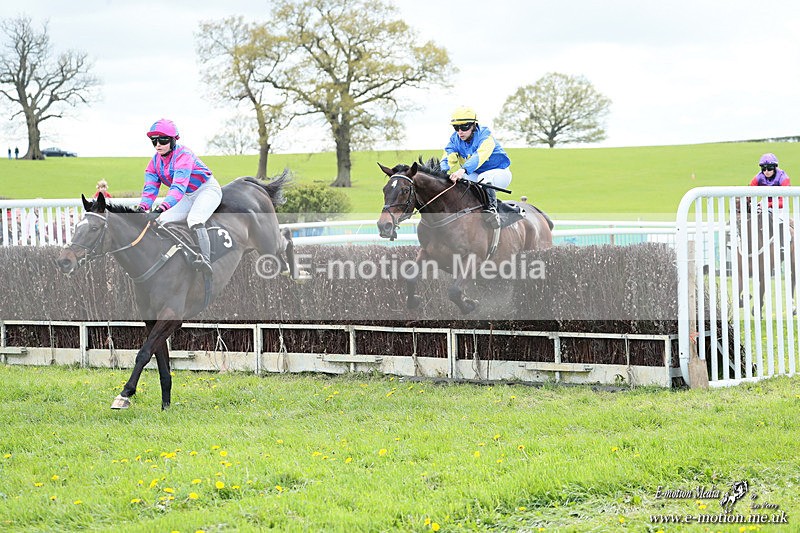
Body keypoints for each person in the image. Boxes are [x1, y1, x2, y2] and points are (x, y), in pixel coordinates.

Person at [136, 118, 222, 275]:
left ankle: (206, 261)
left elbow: (178, 188)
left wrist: (160, 208)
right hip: (187, 195)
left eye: (162, 140)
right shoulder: (154, 162)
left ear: (173, 140)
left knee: (194, 220)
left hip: (206, 190)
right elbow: (150, 188)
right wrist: (142, 208)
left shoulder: (184, 155)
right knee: (163, 221)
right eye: (154, 141)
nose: (158, 145)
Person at [440, 106, 511, 229]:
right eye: (456, 127)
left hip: (499, 173)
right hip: (475, 174)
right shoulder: (455, 140)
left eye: (464, 127)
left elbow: (479, 156)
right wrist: (440, 173)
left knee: (483, 178)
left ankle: (492, 211)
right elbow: (448, 157)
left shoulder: (485, 136)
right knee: (460, 183)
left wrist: (462, 170)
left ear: (474, 125)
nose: (460, 131)